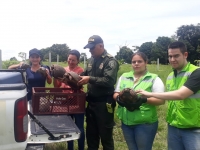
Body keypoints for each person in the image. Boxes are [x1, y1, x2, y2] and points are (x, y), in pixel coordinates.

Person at [137, 41, 200, 150]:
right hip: (173, 126)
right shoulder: (170, 76)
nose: (172, 59)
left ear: (185, 55)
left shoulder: (196, 72)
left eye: (176, 56)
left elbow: (181, 95)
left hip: (193, 128)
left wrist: (149, 94)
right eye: (170, 56)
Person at [113, 51, 165, 150]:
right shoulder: (124, 76)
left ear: (146, 62)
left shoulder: (153, 78)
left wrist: (143, 100)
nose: (136, 64)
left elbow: (161, 100)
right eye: (134, 62)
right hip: (126, 122)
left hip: (145, 124)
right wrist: (119, 99)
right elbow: (116, 93)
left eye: (139, 61)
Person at [77, 35, 119, 150]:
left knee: (106, 136)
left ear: (101, 46)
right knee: (91, 135)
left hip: (104, 104)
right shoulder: (91, 60)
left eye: (92, 48)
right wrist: (72, 78)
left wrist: (90, 79)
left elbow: (109, 81)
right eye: (89, 48)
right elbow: (83, 75)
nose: (90, 51)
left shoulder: (110, 61)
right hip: (91, 103)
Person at [53, 50, 85, 150]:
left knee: (79, 127)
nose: (71, 62)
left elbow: (79, 86)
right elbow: (56, 86)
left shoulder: (81, 71)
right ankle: (70, 148)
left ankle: (81, 148)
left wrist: (69, 79)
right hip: (65, 100)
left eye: (73, 60)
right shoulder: (63, 70)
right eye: (69, 59)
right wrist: (55, 77)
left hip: (77, 100)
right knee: (68, 127)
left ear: (78, 61)